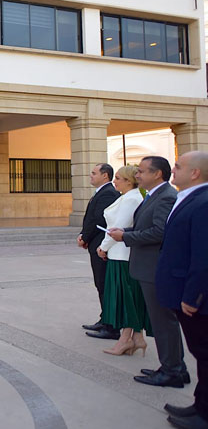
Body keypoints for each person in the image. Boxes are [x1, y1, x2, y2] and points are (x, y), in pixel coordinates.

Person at [108, 156, 189, 388]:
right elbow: (147, 226)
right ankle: (174, 367)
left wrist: (126, 237)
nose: (138, 175)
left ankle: (172, 370)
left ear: (157, 174)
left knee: (164, 322)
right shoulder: (153, 196)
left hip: (155, 267)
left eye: (142, 171)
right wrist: (125, 231)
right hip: (147, 266)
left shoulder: (165, 197)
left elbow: (159, 232)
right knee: (162, 321)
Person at [155, 151, 208, 427]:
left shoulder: (203, 202)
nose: (172, 170)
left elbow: (204, 256)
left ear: (195, 173)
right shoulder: (189, 198)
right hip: (181, 291)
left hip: (195, 298)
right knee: (201, 355)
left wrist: (193, 296)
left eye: (177, 166)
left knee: (206, 354)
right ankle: (200, 405)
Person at [95, 165, 147, 356]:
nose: (114, 181)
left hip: (121, 254)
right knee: (129, 297)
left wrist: (103, 247)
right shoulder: (129, 197)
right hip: (121, 253)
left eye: (117, 178)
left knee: (125, 299)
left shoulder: (131, 198)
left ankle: (125, 340)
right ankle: (136, 337)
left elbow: (118, 227)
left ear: (128, 180)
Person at [79, 163, 122, 340]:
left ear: (105, 176)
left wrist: (85, 236)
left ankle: (111, 326)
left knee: (104, 284)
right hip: (95, 243)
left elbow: (99, 219)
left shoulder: (108, 193)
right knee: (100, 283)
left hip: (100, 244)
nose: (91, 176)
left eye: (94, 173)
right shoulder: (102, 192)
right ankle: (104, 319)